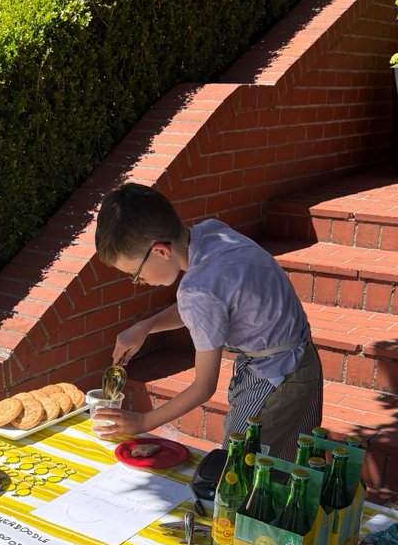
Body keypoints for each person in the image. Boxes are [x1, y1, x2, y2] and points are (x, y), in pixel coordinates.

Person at [92, 182, 322, 460]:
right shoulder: (210, 233)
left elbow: (203, 387)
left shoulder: (197, 291)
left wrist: (143, 422)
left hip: (275, 381)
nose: (139, 281)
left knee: (240, 466)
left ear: (161, 251)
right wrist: (146, 326)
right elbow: (212, 303)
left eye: (136, 274)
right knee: (290, 462)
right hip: (303, 361)